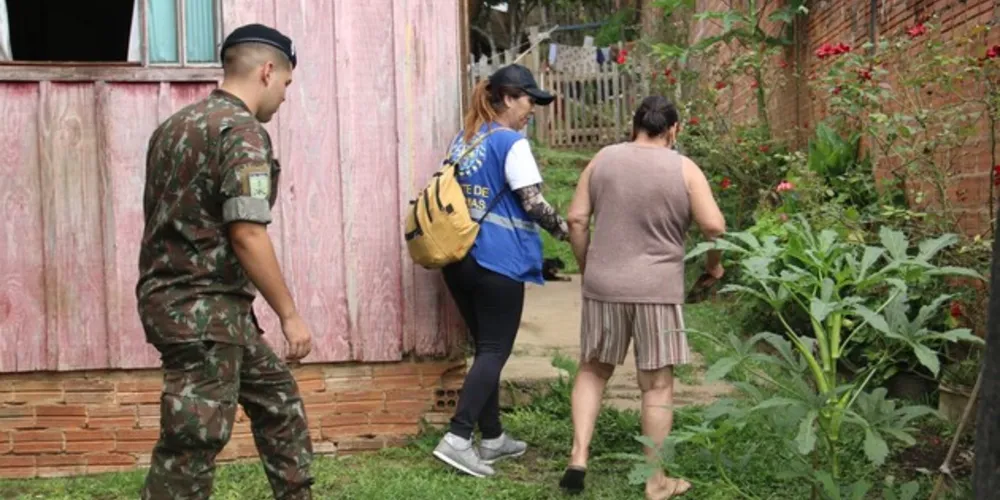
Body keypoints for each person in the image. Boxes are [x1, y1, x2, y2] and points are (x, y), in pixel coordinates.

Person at [135, 23, 315, 500]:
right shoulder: (243, 132)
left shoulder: (173, 129)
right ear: (268, 71)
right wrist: (290, 315)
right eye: (286, 85)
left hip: (197, 305)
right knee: (193, 440)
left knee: (278, 399)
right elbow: (247, 231)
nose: (284, 97)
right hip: (201, 309)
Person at [560, 96, 726, 499]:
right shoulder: (684, 168)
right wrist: (713, 267)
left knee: (593, 369)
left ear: (634, 126)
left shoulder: (602, 159)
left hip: (604, 285)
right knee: (656, 386)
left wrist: (588, 266)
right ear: (674, 130)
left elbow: (576, 219)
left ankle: (579, 456)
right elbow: (714, 225)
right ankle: (656, 482)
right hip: (657, 291)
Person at [431, 64, 570, 478]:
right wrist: (566, 229)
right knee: (495, 350)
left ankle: (491, 438)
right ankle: (457, 438)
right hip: (497, 261)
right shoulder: (511, 142)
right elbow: (533, 202)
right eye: (530, 100)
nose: (533, 110)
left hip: (458, 258)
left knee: (484, 349)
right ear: (509, 98)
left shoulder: (467, 139)